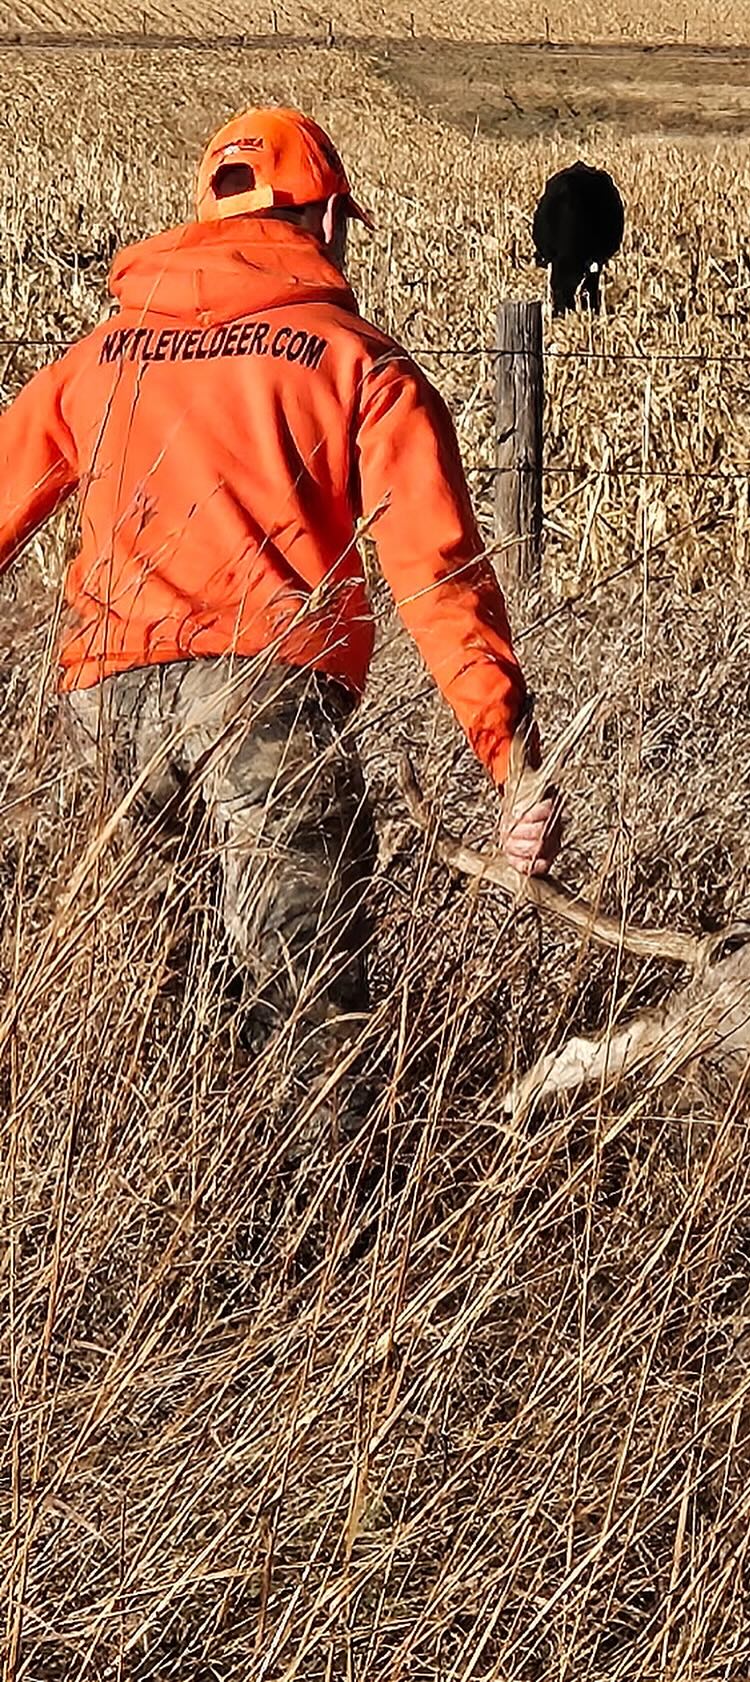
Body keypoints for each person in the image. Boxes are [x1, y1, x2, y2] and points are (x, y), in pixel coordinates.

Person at [0, 106, 558, 1068]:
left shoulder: (94, 362)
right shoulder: (360, 364)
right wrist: (510, 759)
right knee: (308, 1025)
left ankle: (131, 1206)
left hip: (101, 713)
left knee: (133, 1016)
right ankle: (320, 1209)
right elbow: (438, 578)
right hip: (269, 705)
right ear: (332, 221)